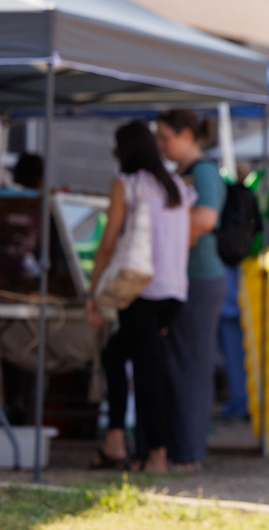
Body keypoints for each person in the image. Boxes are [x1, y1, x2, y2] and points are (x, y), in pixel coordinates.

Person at [87, 121, 195, 473]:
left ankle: (157, 456)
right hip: (174, 293)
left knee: (148, 373)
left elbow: (107, 244)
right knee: (116, 355)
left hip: (141, 289)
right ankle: (116, 441)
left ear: (126, 150)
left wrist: (93, 292)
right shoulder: (178, 187)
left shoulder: (128, 185)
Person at [156, 110, 227, 472]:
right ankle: (180, 448)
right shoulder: (185, 173)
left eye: (164, 137)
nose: (160, 145)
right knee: (178, 366)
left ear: (186, 134)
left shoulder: (203, 172)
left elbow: (205, 219)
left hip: (199, 279)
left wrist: (163, 243)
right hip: (185, 280)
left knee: (191, 368)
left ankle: (188, 452)